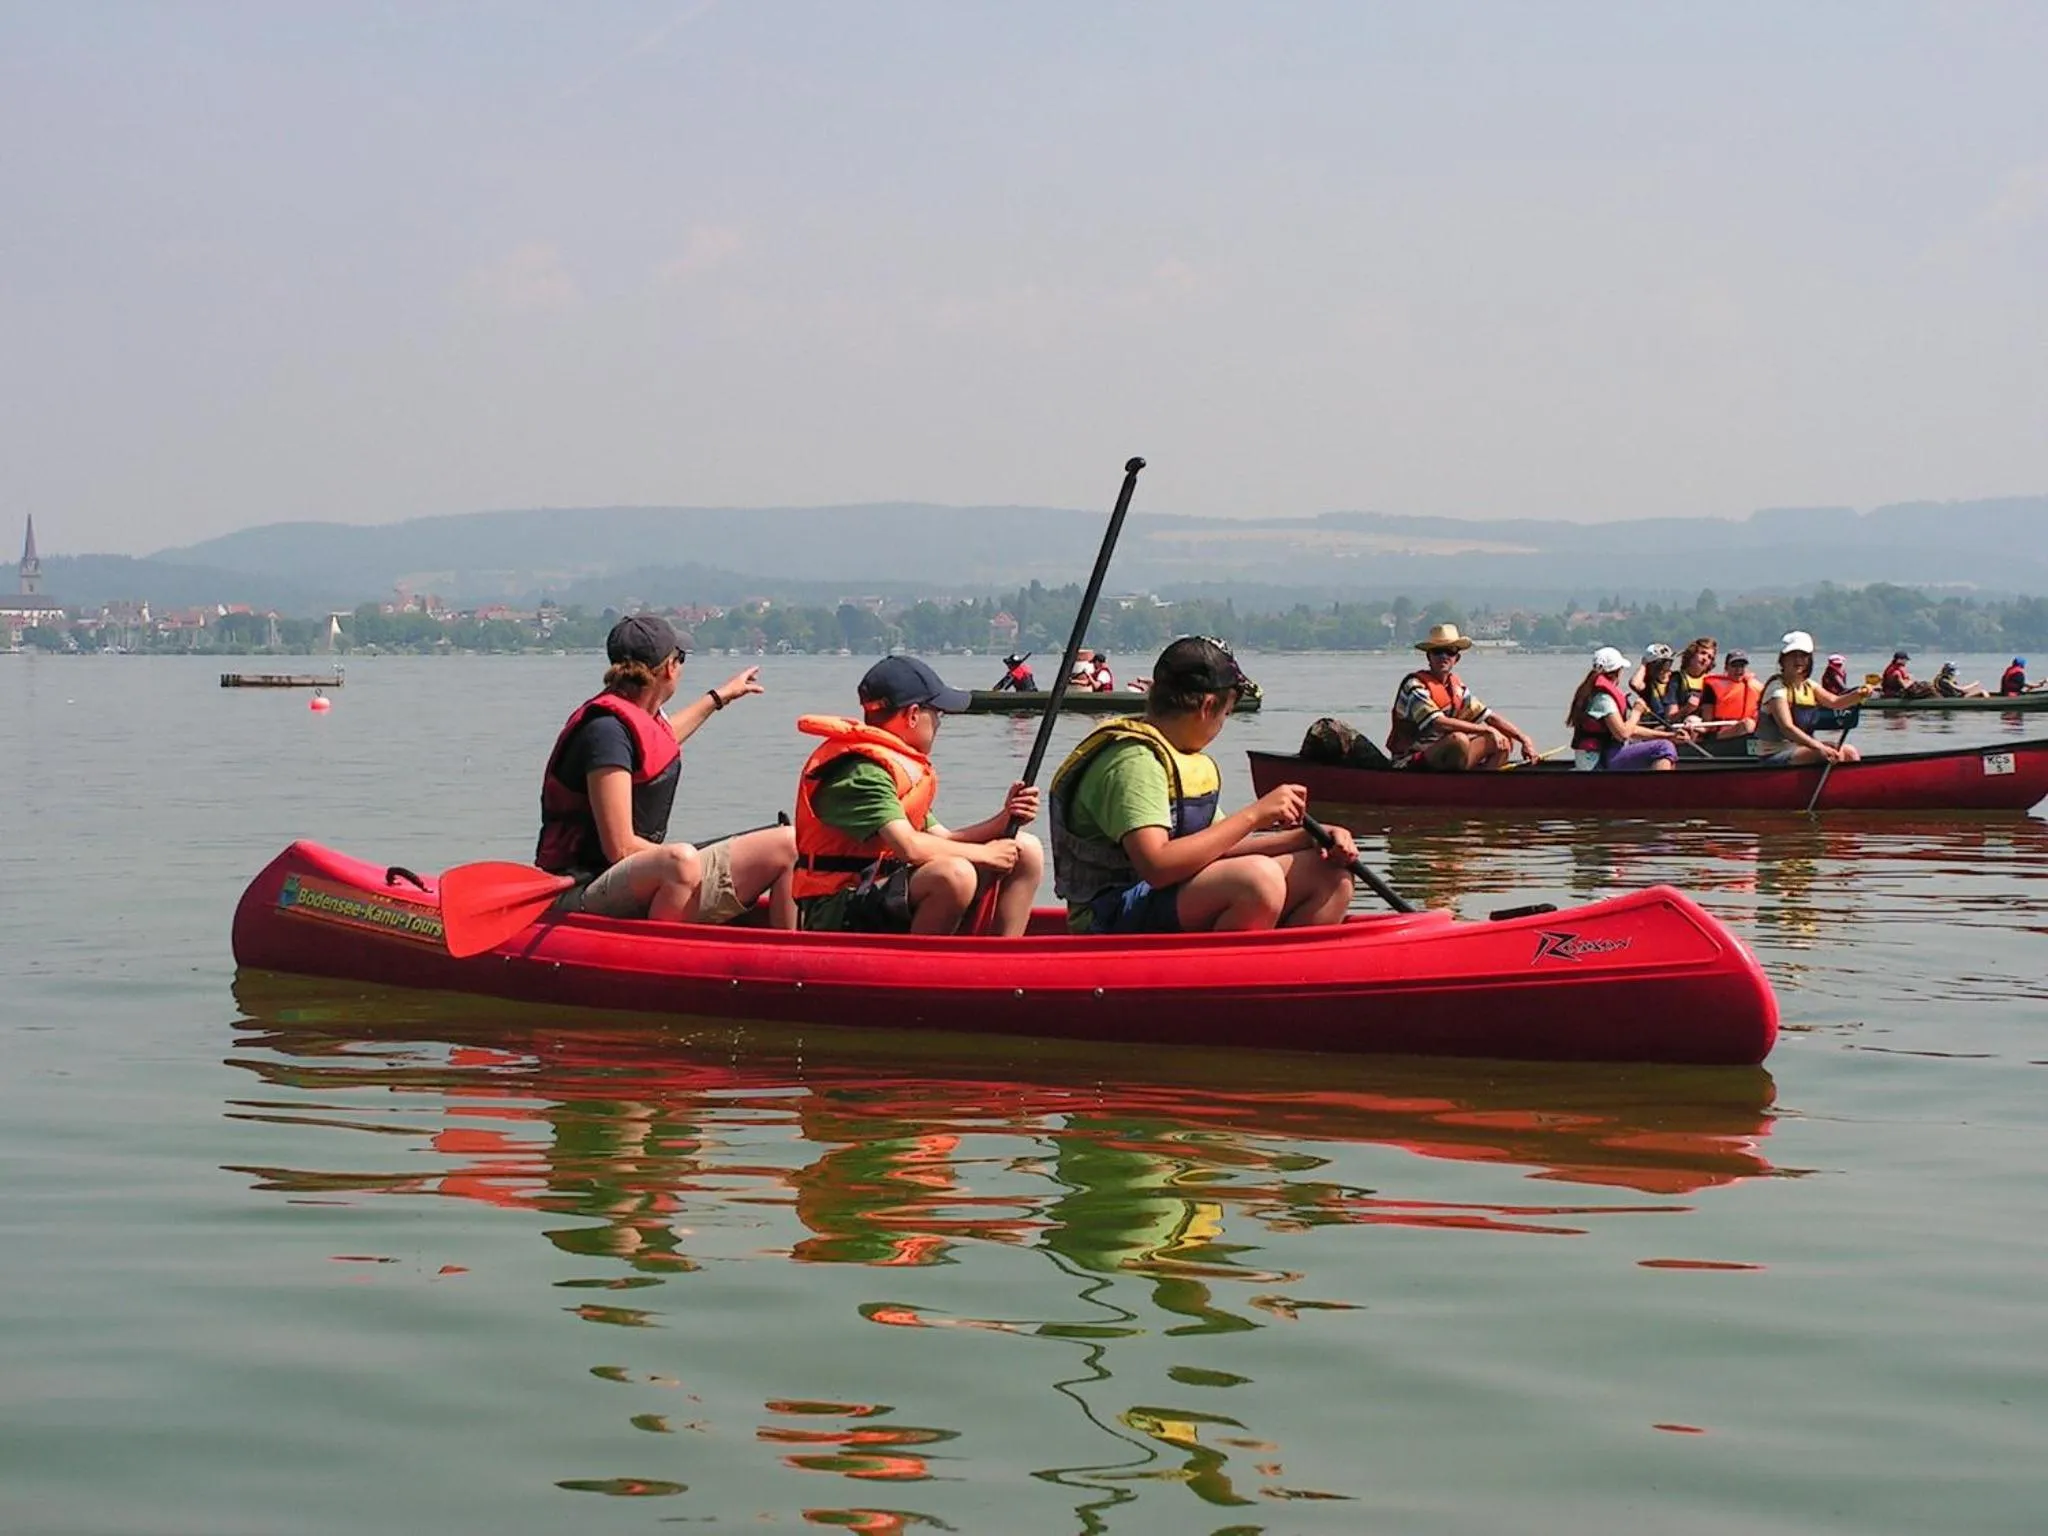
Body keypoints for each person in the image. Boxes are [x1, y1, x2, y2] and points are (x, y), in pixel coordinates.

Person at [1051, 636, 1358, 932]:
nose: (1222, 724)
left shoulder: (1181, 755)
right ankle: (1225, 976)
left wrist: (1306, 839)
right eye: (1225, 713)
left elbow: (1220, 848)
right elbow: (1157, 867)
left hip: (1170, 896)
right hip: (1110, 914)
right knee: (1257, 880)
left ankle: (1280, 975)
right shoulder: (1133, 761)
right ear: (1207, 707)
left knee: (1330, 876)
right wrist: (1255, 815)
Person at [536, 614, 797, 925]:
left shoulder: (634, 721)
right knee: (680, 862)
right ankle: (662, 955)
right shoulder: (606, 734)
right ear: (670, 668)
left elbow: (661, 742)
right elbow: (619, 847)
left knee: (789, 843)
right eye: (681, 658)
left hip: (639, 874)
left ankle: (791, 960)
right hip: (584, 886)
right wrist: (695, 861)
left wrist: (719, 697)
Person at [792, 655, 1043, 936]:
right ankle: (925, 968)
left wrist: (1005, 818)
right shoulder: (860, 773)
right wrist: (985, 854)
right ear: (912, 715)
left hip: (882, 891)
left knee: (1025, 848)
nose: (938, 723)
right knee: (953, 875)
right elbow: (908, 848)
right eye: (937, 713)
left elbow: (944, 840)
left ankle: (1000, 962)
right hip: (838, 908)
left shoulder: (898, 769)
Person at [1386, 623, 1542, 769]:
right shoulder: (1414, 685)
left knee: (1502, 741)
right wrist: (1485, 730)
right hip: (1410, 761)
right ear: (1429, 656)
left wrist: (1524, 739)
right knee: (1458, 740)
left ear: (1456, 658)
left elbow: (1489, 717)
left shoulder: (1457, 689)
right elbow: (1438, 723)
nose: (1443, 656)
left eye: (1450, 651)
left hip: (1446, 759)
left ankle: (1479, 788)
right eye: (1437, 651)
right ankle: (1458, 787)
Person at [1751, 630, 1870, 766]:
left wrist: (1860, 694)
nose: (1798, 661)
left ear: (1809, 660)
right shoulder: (1777, 689)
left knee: (1850, 752)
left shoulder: (1810, 686)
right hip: (1775, 755)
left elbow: (1835, 702)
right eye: (1793, 656)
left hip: (1800, 749)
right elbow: (1787, 728)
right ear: (1783, 660)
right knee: (1821, 754)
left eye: (1803, 656)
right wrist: (1819, 747)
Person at [1568, 647, 1688, 771]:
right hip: (1598, 761)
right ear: (1618, 671)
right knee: (1664, 748)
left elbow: (1630, 729)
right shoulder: (1603, 699)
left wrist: (1669, 735)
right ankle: (1660, 788)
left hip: (1605, 754)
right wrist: (1637, 711)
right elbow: (1623, 734)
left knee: (1664, 743)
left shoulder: (1598, 694)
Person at [1699, 649, 1763, 739]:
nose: (1739, 670)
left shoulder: (1755, 686)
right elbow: (1707, 719)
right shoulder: (1712, 687)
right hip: (1719, 732)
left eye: (1742, 666)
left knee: (1750, 725)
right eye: (1734, 666)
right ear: (1726, 667)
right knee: (1747, 725)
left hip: (1747, 729)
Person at [1631, 643, 1683, 725]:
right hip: (1653, 723)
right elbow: (1635, 684)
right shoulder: (1648, 682)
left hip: (1672, 722)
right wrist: (1643, 664)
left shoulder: (1676, 679)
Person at [1675, 637, 1718, 716]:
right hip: (1679, 725)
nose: (1705, 659)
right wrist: (1687, 709)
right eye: (1702, 653)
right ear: (1691, 654)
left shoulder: (1710, 682)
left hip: (1702, 725)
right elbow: (1669, 717)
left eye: (1710, 657)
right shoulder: (1676, 679)